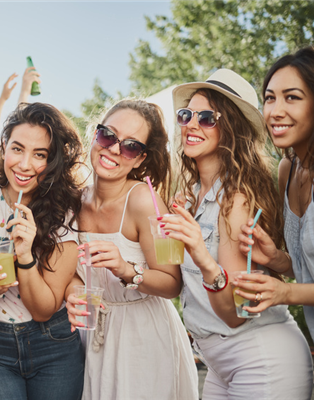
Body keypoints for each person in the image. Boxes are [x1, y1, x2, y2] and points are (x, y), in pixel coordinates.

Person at [160, 68, 313, 398]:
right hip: (219, 362)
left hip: (260, 357)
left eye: (206, 118)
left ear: (230, 129)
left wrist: (201, 254)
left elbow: (234, 315)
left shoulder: (236, 198)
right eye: (186, 115)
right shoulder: (194, 194)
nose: (191, 124)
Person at [65, 99, 198, 399]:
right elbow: (71, 272)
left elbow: (173, 284)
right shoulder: (71, 202)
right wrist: (73, 291)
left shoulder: (147, 202)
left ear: (140, 159)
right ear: (95, 136)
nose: (113, 149)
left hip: (143, 339)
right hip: (90, 337)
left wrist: (126, 269)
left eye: (130, 146)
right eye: (107, 136)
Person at [0, 102, 85, 400]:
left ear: (53, 160)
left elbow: (44, 309)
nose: (24, 164)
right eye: (17, 149)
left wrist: (26, 254)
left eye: (40, 155)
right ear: (4, 146)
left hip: (54, 344)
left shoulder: (64, 210)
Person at [234, 46, 314, 342]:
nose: (275, 111)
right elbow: (307, 269)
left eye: (292, 97)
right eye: (270, 98)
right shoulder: (287, 171)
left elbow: (297, 287)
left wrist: (285, 292)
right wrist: (278, 259)